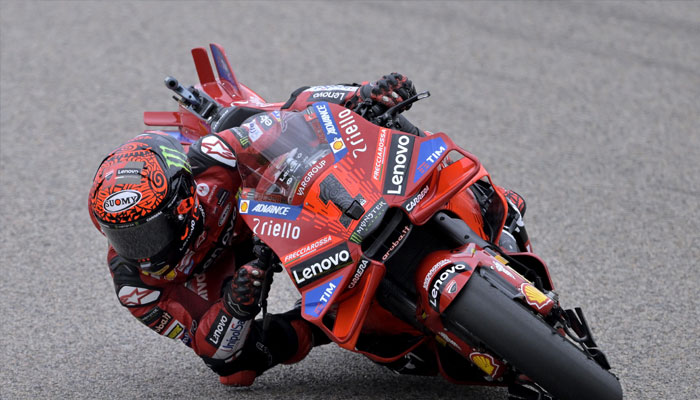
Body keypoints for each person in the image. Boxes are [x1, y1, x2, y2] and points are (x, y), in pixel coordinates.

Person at [88, 74, 429, 386]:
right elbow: (206, 344)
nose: (139, 251)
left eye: (145, 233)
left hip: (261, 212)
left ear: (181, 203)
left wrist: (362, 95)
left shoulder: (211, 160)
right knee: (235, 369)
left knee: (354, 119)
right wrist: (234, 307)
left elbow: (290, 112)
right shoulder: (136, 288)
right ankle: (319, 325)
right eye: (123, 237)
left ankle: (430, 172)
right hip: (222, 274)